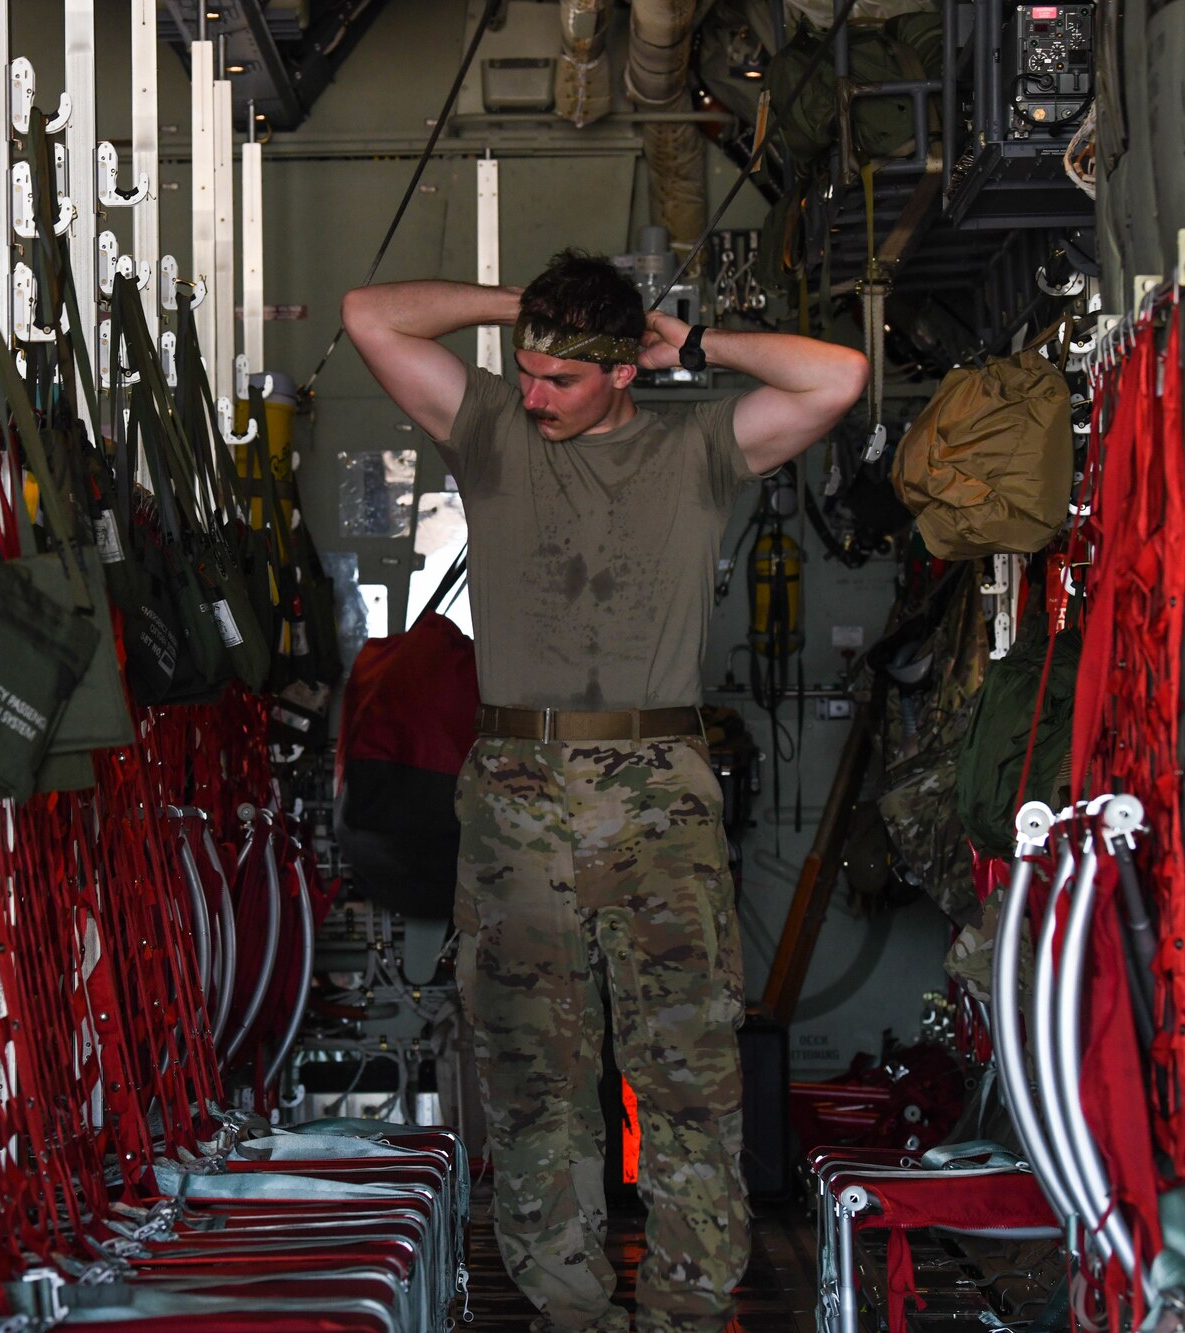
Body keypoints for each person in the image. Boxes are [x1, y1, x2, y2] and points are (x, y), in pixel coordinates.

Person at [342, 250, 866, 1333]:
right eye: (523, 369)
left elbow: (836, 379)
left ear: (623, 371)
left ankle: (682, 1313)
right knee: (532, 1068)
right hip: (513, 787)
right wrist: (517, 310)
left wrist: (695, 341)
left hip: (655, 791)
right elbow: (369, 314)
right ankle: (569, 1311)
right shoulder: (490, 427)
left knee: (685, 1068)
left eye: (559, 378)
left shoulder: (697, 451)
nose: (532, 394)